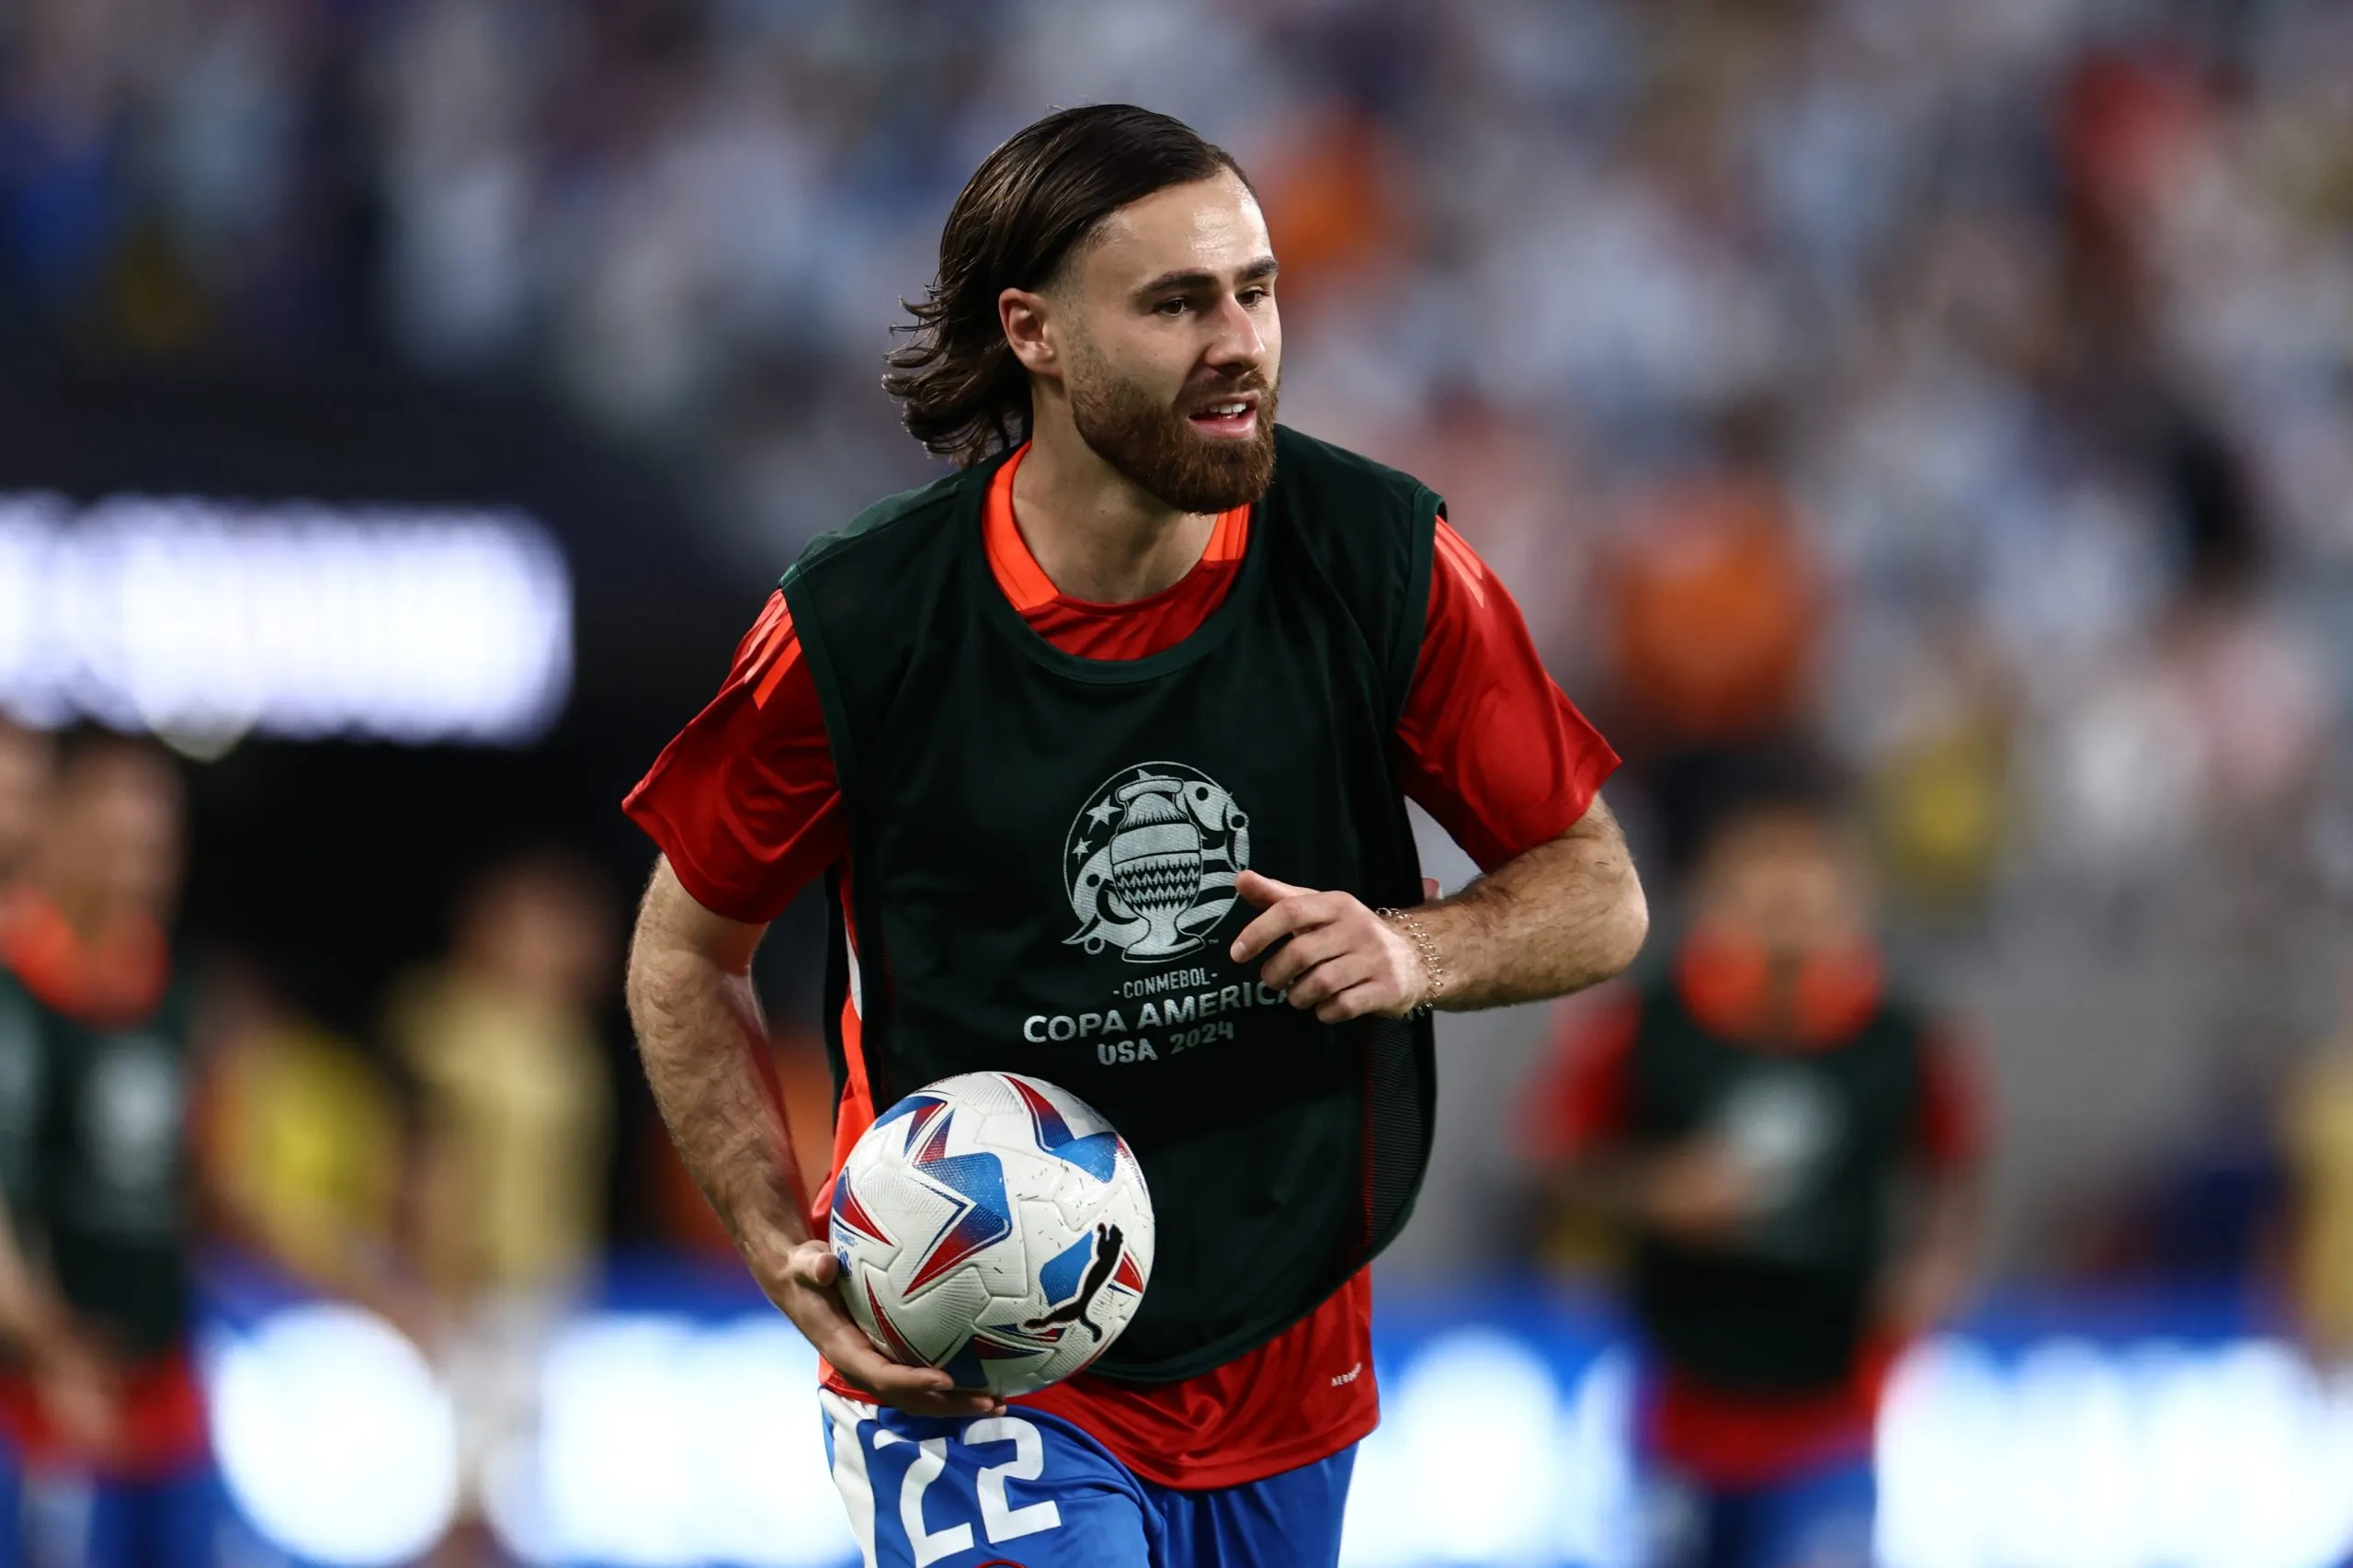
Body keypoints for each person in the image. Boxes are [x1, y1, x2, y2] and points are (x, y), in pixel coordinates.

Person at [623, 105, 1648, 1568]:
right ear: (1034, 332)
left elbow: (1598, 892)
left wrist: (1412, 947)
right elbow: (685, 951)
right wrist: (770, 1229)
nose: (1240, 338)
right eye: (1176, 303)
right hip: (972, 1356)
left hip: (1287, 1345)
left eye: (1259, 289)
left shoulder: (1380, 560)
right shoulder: (861, 630)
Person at [1523, 780, 1984, 1568]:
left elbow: (1952, 1165)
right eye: (1765, 864)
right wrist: (1653, 1192)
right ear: (1717, 887)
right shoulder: (1647, 1025)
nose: (1788, 890)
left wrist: (1934, 1268)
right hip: (1678, 1404)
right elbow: (1555, 1161)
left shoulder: (1901, 1039)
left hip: (1830, 1414)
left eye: (1809, 867)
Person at [0, 731, 217, 1568]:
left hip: (161, 1381)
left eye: (157, 841)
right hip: (41, 1396)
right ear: (57, 828)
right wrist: (47, 1343)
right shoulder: (16, 982)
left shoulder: (174, 992)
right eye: (117, 835)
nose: (141, 859)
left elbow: (193, 1185)